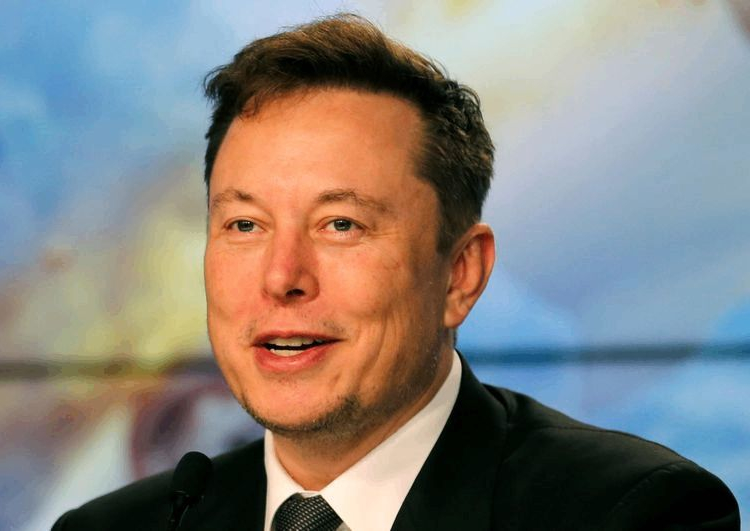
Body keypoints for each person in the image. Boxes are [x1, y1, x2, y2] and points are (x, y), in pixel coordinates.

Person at [53, 14, 739, 531]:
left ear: (460, 275)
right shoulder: (114, 528)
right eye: (244, 225)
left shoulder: (633, 513)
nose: (281, 277)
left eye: (340, 224)